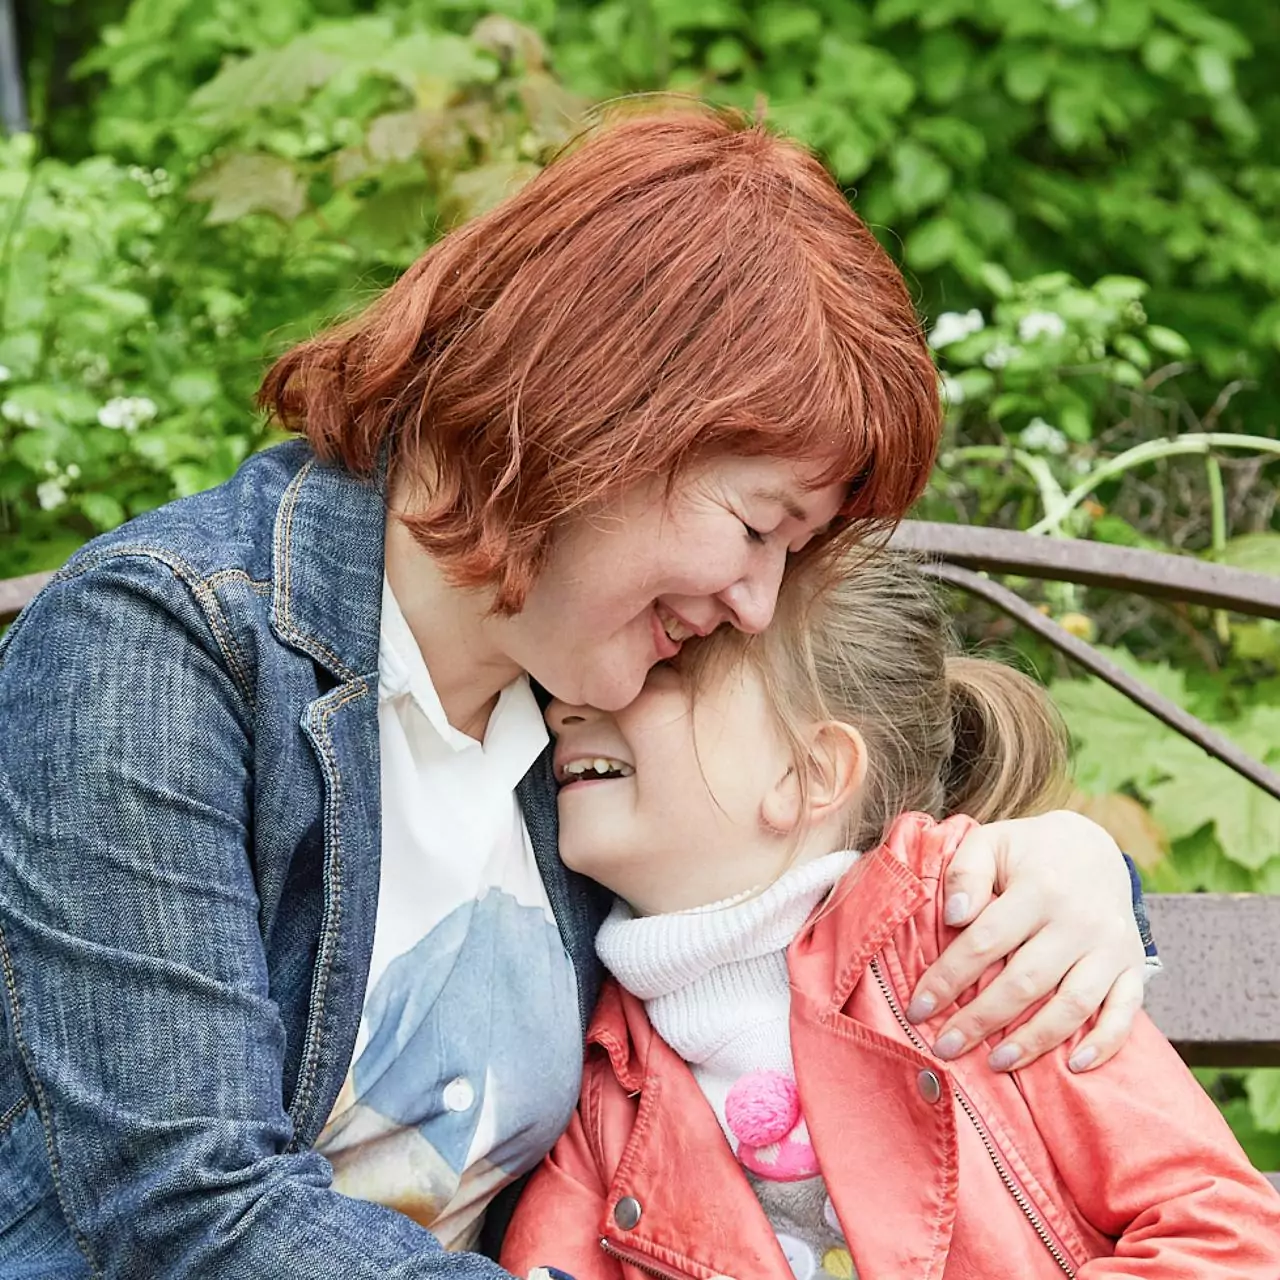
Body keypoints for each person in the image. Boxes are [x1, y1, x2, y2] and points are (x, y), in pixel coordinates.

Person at [0, 106, 1152, 1280]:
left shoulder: (578, 722)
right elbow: (187, 1203)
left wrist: (1079, 871)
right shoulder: (166, 644)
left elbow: (832, 899)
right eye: (757, 525)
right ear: (605, 413)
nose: (756, 603)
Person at [505, 551, 1280, 1280]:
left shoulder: (983, 944)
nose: (568, 706)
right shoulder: (601, 1084)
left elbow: (1226, 1240)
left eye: (661, 669)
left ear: (810, 773)